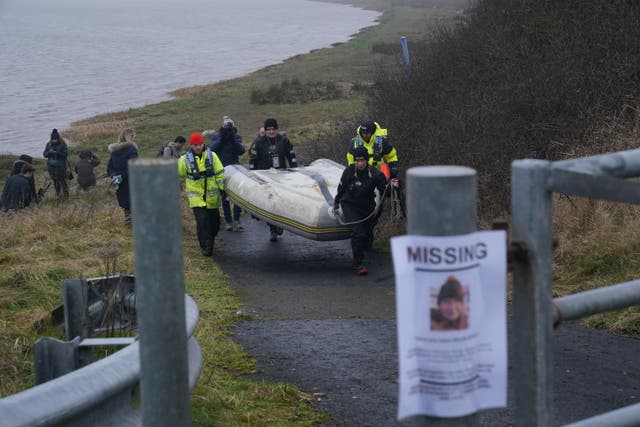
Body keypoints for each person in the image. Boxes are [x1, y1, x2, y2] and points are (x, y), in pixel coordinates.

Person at [333, 146, 395, 275]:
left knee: (366, 233)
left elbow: (385, 190)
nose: (360, 163)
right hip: (349, 204)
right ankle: (358, 264)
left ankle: (366, 248)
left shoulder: (375, 173)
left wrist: (393, 186)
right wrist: (336, 202)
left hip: (367, 206)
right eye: (357, 161)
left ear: (367, 160)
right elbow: (341, 188)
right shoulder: (349, 171)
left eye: (362, 161)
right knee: (358, 233)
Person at [249, 118, 298, 241]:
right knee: (269, 202)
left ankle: (279, 224)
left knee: (280, 201)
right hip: (265, 176)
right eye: (268, 129)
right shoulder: (259, 142)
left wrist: (295, 171)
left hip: (281, 175)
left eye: (273, 129)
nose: (271, 131)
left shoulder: (284, 140)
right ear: (265, 130)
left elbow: (291, 156)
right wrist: (252, 175)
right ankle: (272, 228)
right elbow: (253, 160)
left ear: (276, 129)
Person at [178, 132, 225, 257]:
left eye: (199, 144)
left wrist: (222, 189)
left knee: (215, 223)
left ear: (203, 143)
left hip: (212, 197)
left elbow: (220, 173)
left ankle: (210, 239)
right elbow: (177, 176)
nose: (198, 147)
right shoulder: (184, 160)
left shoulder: (212, 156)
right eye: (195, 145)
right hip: (196, 197)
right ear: (191, 145)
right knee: (202, 221)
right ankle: (206, 246)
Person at [210, 115, 245, 231]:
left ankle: (237, 219)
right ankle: (229, 221)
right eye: (226, 127)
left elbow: (241, 151)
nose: (228, 129)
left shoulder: (236, 136)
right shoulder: (216, 136)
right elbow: (212, 150)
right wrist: (222, 139)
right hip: (221, 169)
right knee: (224, 197)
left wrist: (232, 139)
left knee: (237, 196)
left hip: (235, 169)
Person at [108, 128, 139, 224]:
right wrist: (122, 176)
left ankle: (128, 222)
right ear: (129, 137)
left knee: (126, 204)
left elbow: (110, 168)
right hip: (130, 181)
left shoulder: (114, 151)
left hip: (119, 183)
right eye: (134, 136)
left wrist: (114, 176)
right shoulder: (132, 150)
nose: (135, 139)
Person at [42, 128, 70, 201]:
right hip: (51, 167)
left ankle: (66, 195)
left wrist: (57, 153)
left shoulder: (63, 144)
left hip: (61, 166)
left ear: (58, 138)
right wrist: (49, 153)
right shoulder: (48, 145)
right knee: (55, 181)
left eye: (56, 139)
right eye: (53, 139)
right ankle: (58, 195)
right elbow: (45, 154)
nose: (54, 141)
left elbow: (66, 154)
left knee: (62, 180)